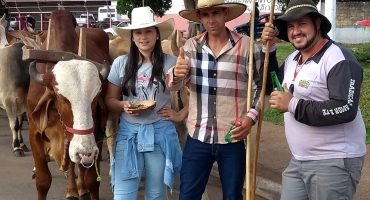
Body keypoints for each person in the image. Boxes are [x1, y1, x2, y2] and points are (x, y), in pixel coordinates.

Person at [166, 0, 277, 199]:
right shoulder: (191, 46)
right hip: (198, 135)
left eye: (216, 13)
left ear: (225, 13)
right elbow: (174, 85)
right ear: (199, 17)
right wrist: (176, 73)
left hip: (232, 136)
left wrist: (251, 117)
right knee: (188, 195)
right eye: (206, 15)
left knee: (233, 196)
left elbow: (262, 88)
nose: (211, 20)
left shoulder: (246, 46)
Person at [261, 0, 366, 199]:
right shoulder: (293, 59)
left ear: (317, 24)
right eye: (290, 26)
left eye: (302, 24)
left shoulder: (339, 59)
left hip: (334, 160)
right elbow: (270, 86)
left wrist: (292, 104)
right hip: (299, 160)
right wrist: (269, 50)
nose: (295, 31)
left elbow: (345, 108)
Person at [105, 6, 182, 200]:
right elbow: (110, 100)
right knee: (123, 195)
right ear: (132, 36)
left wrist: (181, 114)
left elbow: (199, 93)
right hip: (128, 134)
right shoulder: (120, 63)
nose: (143, 36)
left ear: (157, 34)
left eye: (148, 31)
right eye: (138, 32)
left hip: (160, 133)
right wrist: (123, 106)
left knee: (156, 195)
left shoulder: (172, 62)